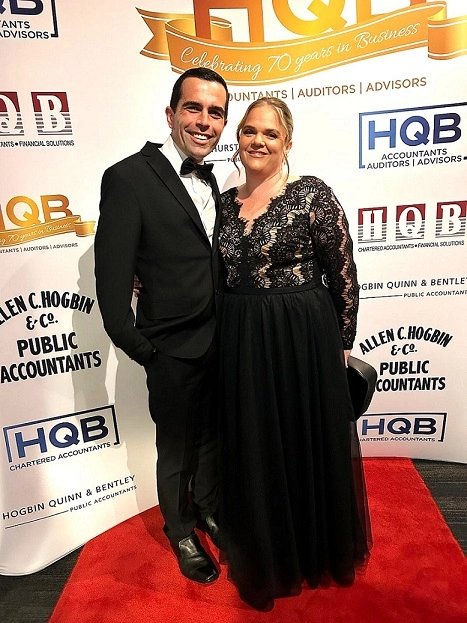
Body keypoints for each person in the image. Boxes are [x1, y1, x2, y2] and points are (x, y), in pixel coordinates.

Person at [217, 97, 372, 610]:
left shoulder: (311, 194)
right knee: (259, 439)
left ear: (287, 143)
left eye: (270, 133)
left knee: (304, 437)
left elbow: (343, 272)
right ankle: (269, 546)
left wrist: (342, 342)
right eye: (249, 131)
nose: (257, 141)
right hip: (242, 335)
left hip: (302, 335)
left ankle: (312, 548)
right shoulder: (224, 202)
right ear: (237, 138)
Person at [94, 68, 229, 584]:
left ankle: (209, 510)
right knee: (175, 447)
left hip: (222, 338)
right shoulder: (127, 177)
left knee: (213, 436)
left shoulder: (214, 179)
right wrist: (146, 350)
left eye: (216, 112)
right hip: (170, 348)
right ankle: (181, 530)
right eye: (194, 108)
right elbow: (111, 285)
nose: (205, 121)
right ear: (171, 114)